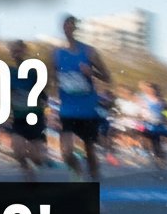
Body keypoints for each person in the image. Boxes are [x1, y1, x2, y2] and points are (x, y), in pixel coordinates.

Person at [51, 15, 111, 181]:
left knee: (89, 149)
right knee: (66, 152)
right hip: (67, 108)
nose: (68, 28)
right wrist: (53, 102)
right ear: (62, 28)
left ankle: (95, 180)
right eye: (66, 25)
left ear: (76, 28)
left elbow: (107, 77)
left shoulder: (89, 52)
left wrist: (92, 73)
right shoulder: (55, 53)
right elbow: (53, 78)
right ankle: (78, 174)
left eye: (71, 25)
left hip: (87, 108)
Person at [7, 40, 49, 181]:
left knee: (37, 159)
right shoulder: (9, 72)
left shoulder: (33, 72)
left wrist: (42, 105)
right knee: (17, 151)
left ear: (24, 51)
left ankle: (40, 159)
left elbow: (43, 95)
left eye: (18, 50)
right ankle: (27, 171)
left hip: (35, 118)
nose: (16, 53)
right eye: (13, 50)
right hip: (18, 118)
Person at [138, 82, 167, 170]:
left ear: (155, 90)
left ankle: (160, 156)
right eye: (148, 89)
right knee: (147, 137)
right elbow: (141, 110)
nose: (150, 90)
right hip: (147, 123)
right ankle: (151, 152)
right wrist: (142, 115)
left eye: (151, 89)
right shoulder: (144, 99)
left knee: (156, 141)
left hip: (158, 123)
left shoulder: (161, 100)